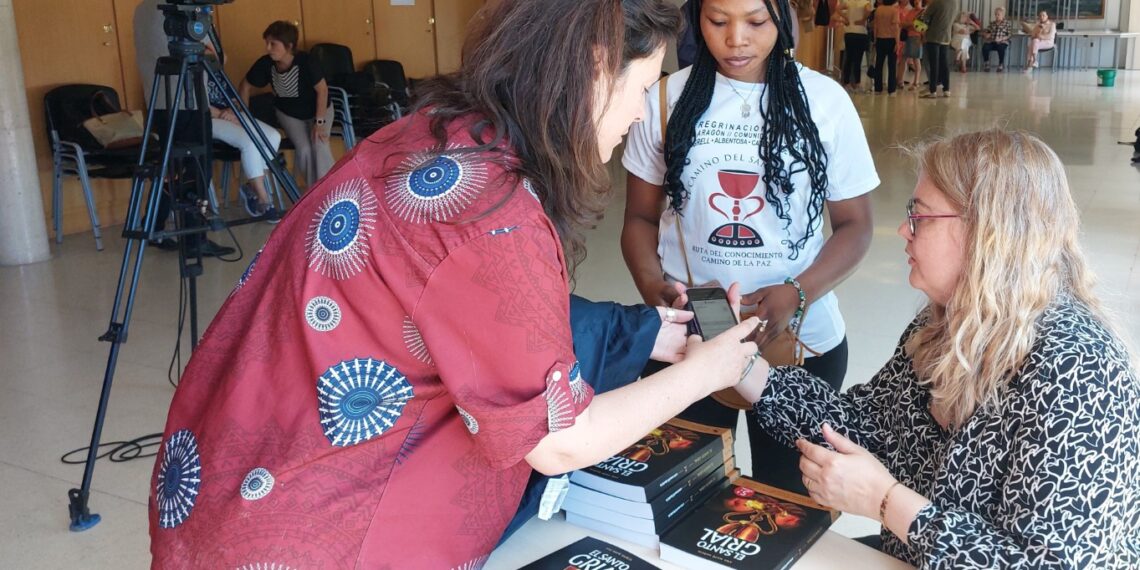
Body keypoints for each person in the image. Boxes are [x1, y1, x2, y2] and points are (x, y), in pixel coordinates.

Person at [147, 1, 770, 567]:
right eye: (641, 86)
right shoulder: (492, 212)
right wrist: (707, 371)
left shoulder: (435, 134)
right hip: (329, 534)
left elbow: (454, 309)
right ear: (596, 62)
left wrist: (645, 334)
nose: (639, 112)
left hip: (240, 491)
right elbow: (558, 442)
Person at [732, 129, 1140, 568]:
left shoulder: (1080, 373)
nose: (903, 229)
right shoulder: (944, 322)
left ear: (987, 231)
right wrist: (741, 368)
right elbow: (866, 425)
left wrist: (887, 502)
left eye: (920, 215)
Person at [622, 0, 878, 495]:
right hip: (688, 341)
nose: (735, 38)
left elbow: (856, 226)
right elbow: (638, 218)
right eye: (717, 21)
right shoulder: (663, 100)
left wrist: (797, 292)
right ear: (697, 18)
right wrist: (656, 288)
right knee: (686, 493)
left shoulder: (823, 101)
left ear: (784, 17)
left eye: (756, 21)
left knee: (787, 505)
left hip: (802, 347)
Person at [133, 0, 235, 257]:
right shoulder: (186, 8)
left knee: (171, 167)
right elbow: (216, 57)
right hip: (187, 99)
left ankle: (153, 226)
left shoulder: (143, 9)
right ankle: (194, 238)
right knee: (196, 168)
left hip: (157, 98)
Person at [239, 21, 334, 188]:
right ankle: (316, 192)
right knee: (304, 149)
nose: (268, 48)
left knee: (319, 144)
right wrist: (243, 114)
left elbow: (322, 91)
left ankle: (330, 189)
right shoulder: (266, 63)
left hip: (319, 109)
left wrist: (319, 123)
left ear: (289, 46)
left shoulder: (307, 62)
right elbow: (245, 85)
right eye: (266, 43)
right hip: (289, 113)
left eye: (273, 44)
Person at [205, 74, 282, 220]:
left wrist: (232, 110)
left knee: (273, 136)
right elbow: (199, 105)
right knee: (250, 142)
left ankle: (251, 187)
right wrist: (222, 113)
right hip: (210, 119)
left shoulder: (218, 73)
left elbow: (236, 100)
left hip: (231, 114)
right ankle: (263, 200)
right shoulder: (192, 72)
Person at [918, 0, 954, 98]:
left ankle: (932, 90)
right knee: (945, 64)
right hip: (946, 37)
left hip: (933, 37)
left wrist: (921, 34)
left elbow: (924, 19)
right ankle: (946, 89)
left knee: (934, 64)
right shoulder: (954, 3)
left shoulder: (935, 3)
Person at [839, 0, 873, 92]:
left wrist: (845, 18)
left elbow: (837, 8)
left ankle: (846, 83)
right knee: (858, 59)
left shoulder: (848, 2)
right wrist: (863, 20)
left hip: (849, 32)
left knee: (849, 58)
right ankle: (857, 83)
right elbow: (869, 10)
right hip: (861, 32)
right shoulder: (865, 2)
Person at [871, 0, 900, 94]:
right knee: (892, 66)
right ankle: (891, 89)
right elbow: (896, 27)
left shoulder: (878, 10)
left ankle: (878, 89)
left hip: (880, 38)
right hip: (891, 39)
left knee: (879, 64)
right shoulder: (894, 11)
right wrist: (897, 42)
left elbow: (875, 26)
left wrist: (875, 40)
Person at [896, 0, 923, 91]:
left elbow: (921, 26)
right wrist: (912, 24)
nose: (916, 2)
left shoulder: (923, 12)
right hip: (908, 37)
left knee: (916, 59)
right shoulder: (911, 11)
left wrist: (910, 24)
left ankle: (916, 82)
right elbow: (903, 24)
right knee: (903, 58)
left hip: (917, 38)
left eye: (918, 0)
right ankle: (900, 80)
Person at [980, 6, 1012, 72]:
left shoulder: (1007, 24)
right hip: (992, 41)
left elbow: (1009, 35)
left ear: (1003, 15)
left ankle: (1000, 64)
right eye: (996, 14)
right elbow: (987, 32)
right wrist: (986, 35)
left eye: (998, 14)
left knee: (1001, 48)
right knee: (985, 47)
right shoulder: (992, 23)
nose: (996, 16)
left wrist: (1001, 39)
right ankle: (987, 63)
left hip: (1002, 42)